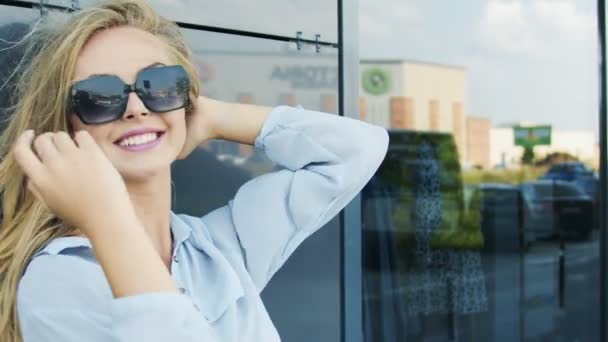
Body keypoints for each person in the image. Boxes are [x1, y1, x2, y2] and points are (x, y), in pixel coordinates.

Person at [0, 1, 389, 341]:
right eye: (101, 96)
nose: (137, 108)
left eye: (161, 84)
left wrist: (216, 116)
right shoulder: (58, 279)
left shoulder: (214, 249)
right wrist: (107, 220)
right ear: (67, 129)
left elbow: (356, 151)